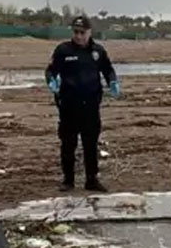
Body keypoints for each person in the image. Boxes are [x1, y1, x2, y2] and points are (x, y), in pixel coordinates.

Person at [45, 15, 118, 192]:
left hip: (91, 106)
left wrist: (113, 82)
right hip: (68, 105)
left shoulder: (98, 51)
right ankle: (68, 180)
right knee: (68, 144)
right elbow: (50, 70)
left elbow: (108, 70)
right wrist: (51, 81)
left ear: (89, 32)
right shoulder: (63, 50)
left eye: (82, 32)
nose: (78, 36)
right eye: (76, 32)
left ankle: (91, 180)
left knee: (90, 144)